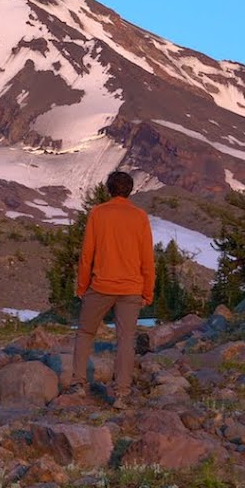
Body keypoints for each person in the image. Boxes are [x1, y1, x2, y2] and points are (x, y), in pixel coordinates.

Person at [69, 171, 154, 408]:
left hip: (101, 285)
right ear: (130, 190)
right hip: (131, 287)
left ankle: (78, 384)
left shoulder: (98, 213)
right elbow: (147, 258)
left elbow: (87, 254)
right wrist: (148, 291)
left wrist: (82, 286)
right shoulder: (139, 216)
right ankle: (122, 393)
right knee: (126, 339)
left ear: (109, 189)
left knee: (86, 333)